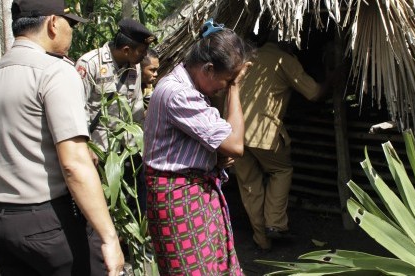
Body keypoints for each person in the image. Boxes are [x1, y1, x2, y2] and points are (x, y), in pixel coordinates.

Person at [0, 0, 125, 275]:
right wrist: (110, 237)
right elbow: (74, 164)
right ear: (53, 23)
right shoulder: (55, 71)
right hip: (47, 224)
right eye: (70, 24)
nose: (73, 31)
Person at [143, 18, 255, 275]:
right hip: (178, 196)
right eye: (225, 80)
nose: (224, 87)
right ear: (207, 69)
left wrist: (213, 157)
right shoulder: (179, 93)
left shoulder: (188, 88)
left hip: (193, 190)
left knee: (211, 267)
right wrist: (235, 89)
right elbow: (235, 144)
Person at [233, 31, 335, 251]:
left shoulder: (247, 57)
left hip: (234, 133)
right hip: (263, 133)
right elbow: (314, 93)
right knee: (281, 171)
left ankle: (262, 239)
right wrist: (330, 80)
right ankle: (275, 223)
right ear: (289, 42)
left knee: (250, 184)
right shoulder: (283, 60)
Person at [75, 18, 156, 150]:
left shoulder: (134, 67)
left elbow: (136, 106)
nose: (145, 55)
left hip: (123, 149)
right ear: (126, 50)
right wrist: (85, 147)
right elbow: (77, 110)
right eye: (142, 51)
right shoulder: (90, 64)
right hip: (96, 147)